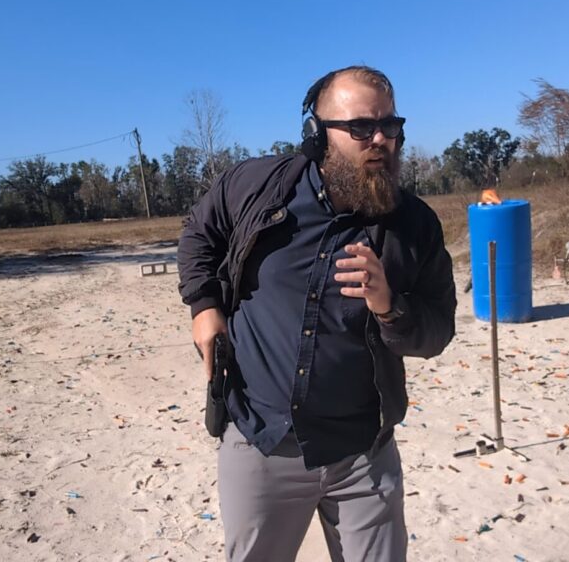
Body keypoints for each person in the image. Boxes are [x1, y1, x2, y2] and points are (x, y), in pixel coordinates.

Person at [177, 65, 456, 562]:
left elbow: (437, 332)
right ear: (315, 134)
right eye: (360, 127)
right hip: (261, 440)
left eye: (390, 126)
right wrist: (205, 307)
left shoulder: (415, 227)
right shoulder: (257, 187)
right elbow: (200, 232)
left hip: (362, 455)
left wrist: (390, 307)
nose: (380, 139)